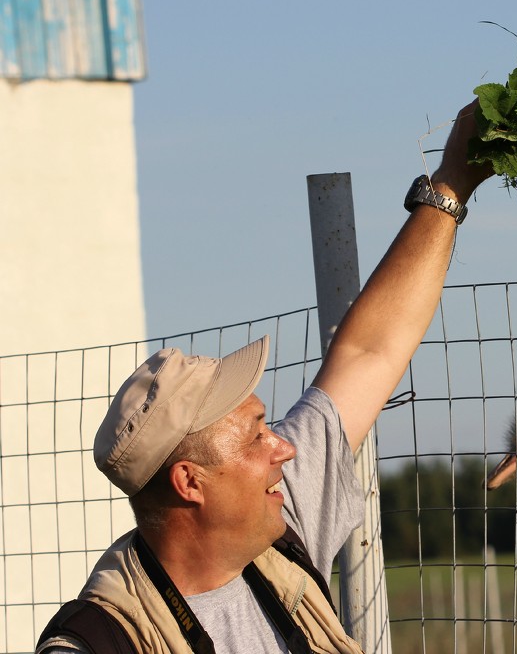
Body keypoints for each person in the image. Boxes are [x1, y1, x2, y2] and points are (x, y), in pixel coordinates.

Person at [37, 102, 492, 653]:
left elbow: (371, 352)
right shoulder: (101, 642)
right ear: (190, 483)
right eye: (255, 434)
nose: (285, 449)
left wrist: (451, 185)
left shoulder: (273, 524)